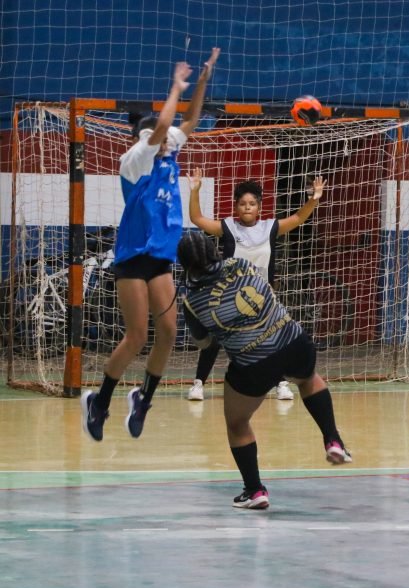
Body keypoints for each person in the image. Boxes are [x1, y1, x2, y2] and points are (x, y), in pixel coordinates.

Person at [80, 49, 221, 441]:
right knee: (137, 335)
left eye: (165, 141)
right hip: (131, 256)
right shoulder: (135, 158)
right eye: (157, 139)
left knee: (171, 332)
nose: (163, 142)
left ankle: (143, 398)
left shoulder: (169, 147)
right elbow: (164, 125)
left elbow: (189, 120)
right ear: (142, 139)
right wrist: (176, 86)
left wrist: (204, 80)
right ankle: (101, 402)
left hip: (159, 256)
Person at [177, 231, 352, 509]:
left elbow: (205, 343)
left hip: (253, 364)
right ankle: (333, 439)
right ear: (214, 251)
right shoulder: (240, 263)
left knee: (237, 423)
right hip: (293, 340)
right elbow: (266, 291)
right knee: (307, 379)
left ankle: (255, 490)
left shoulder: (192, 301)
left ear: (184, 264)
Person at [185, 168, 326, 401]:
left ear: (259, 206)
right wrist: (195, 191)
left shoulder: (270, 228)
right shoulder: (228, 227)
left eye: (252, 203)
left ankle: (281, 383)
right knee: (215, 340)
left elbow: (299, 218)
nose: (247, 207)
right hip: (229, 298)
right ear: (236, 207)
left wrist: (314, 199)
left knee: (276, 338)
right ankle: (198, 384)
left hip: (263, 300)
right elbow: (197, 219)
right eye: (242, 203)